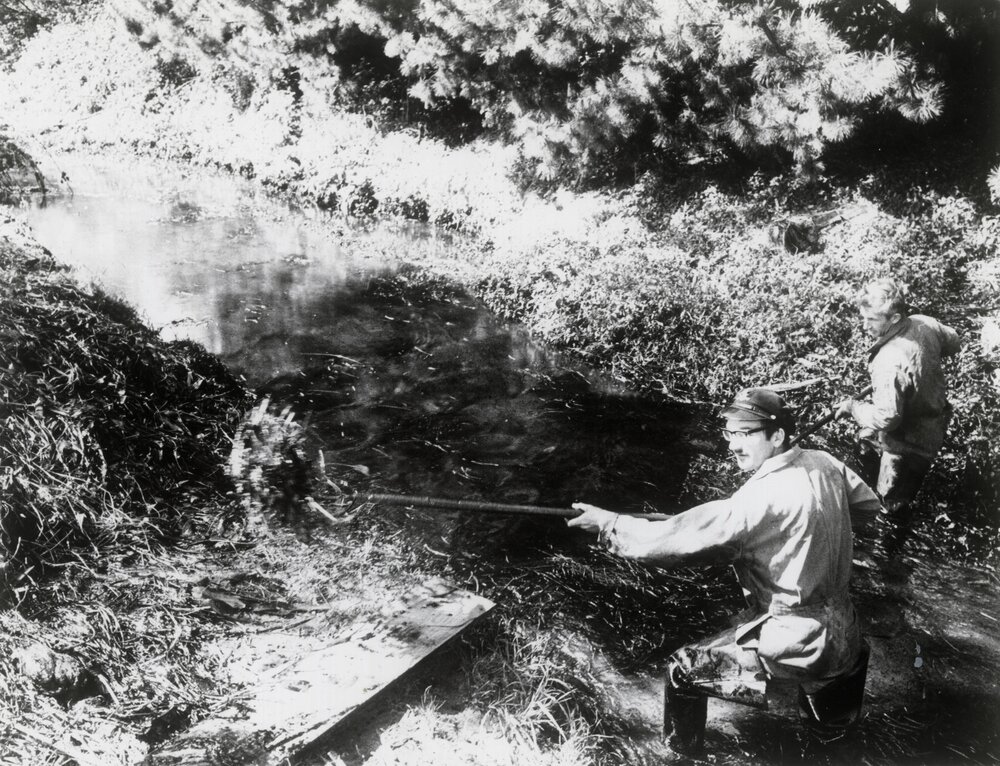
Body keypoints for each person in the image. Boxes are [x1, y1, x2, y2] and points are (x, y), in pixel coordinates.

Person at [568, 387, 882, 758]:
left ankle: (682, 758)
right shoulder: (825, 463)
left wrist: (609, 524)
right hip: (846, 632)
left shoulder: (756, 500)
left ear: (777, 435)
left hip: (798, 640)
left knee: (683, 672)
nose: (733, 444)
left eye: (746, 433)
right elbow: (867, 506)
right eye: (730, 433)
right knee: (831, 743)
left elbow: (671, 541)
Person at [833, 279, 961, 527]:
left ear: (894, 318)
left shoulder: (888, 361)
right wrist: (922, 364)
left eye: (872, 320)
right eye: (864, 318)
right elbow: (953, 341)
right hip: (933, 420)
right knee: (867, 438)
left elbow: (887, 418)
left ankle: (890, 547)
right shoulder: (923, 322)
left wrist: (852, 406)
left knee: (890, 506)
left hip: (908, 444)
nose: (864, 326)